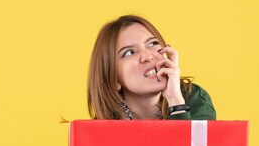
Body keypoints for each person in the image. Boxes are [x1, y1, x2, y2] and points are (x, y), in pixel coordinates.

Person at [87, 15, 216, 120]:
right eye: (129, 52)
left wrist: (175, 102)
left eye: (153, 43)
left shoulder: (195, 99)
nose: (147, 56)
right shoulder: (103, 128)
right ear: (113, 78)